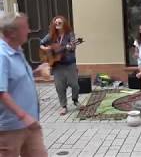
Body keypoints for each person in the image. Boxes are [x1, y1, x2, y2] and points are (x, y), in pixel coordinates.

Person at [0, 12, 48, 156]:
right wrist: (23, 116)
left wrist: (35, 73)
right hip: (11, 127)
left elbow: (14, 79)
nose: (29, 30)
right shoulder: (2, 55)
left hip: (30, 124)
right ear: (11, 33)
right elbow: (1, 91)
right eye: (25, 27)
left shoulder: (17, 50)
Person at [40, 16, 82, 115]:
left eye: (60, 23)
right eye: (56, 23)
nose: (58, 25)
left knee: (75, 85)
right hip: (57, 65)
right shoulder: (51, 35)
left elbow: (73, 47)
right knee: (60, 86)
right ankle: (64, 106)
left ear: (64, 24)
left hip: (70, 63)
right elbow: (41, 43)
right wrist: (47, 49)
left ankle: (75, 100)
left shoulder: (70, 35)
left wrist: (70, 46)